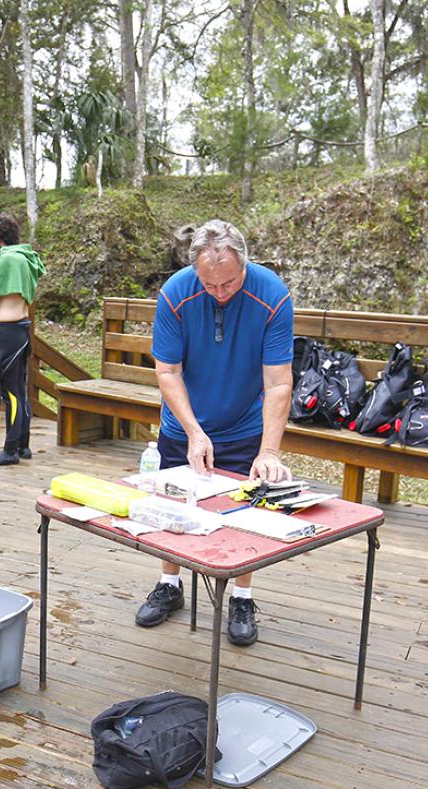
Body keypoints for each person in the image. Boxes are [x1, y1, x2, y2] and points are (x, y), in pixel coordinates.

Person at [135, 220, 294, 646]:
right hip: (184, 424)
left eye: (229, 282)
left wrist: (271, 452)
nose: (221, 291)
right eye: (210, 283)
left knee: (244, 516)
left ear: (245, 264)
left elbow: (278, 381)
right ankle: (170, 584)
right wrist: (193, 431)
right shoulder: (176, 293)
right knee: (173, 509)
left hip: (244, 423)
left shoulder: (272, 294)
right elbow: (167, 370)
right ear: (196, 272)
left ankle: (241, 595)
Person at [0, 213, 46, 467]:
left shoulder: (8, 260)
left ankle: (10, 450)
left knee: (10, 393)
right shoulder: (27, 258)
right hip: (20, 329)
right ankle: (23, 444)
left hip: (7, 333)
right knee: (19, 389)